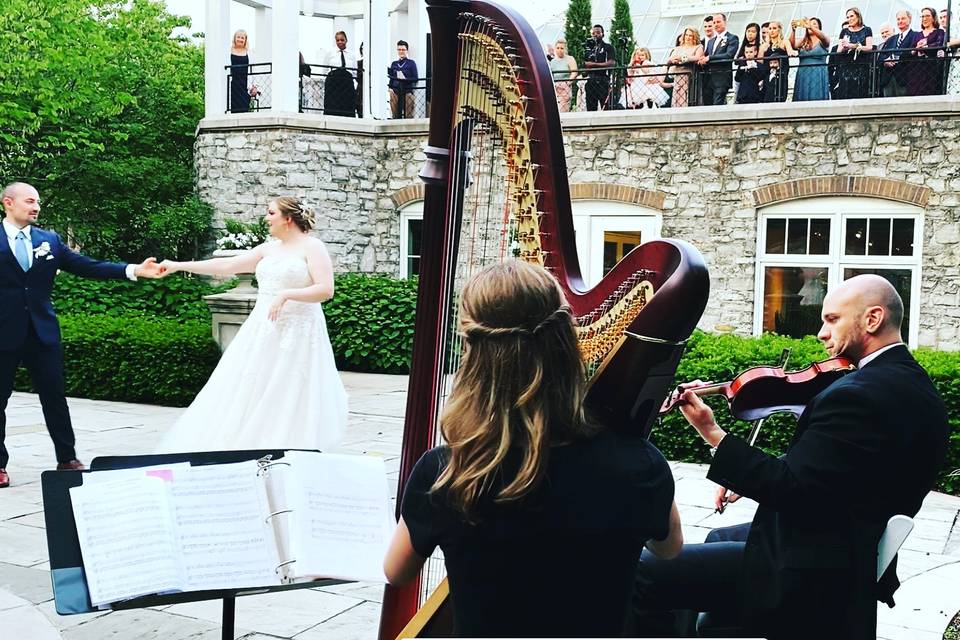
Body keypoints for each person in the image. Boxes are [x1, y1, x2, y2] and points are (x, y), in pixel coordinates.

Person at [631, 274, 949, 640]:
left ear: (872, 319)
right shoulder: (909, 382)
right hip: (843, 539)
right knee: (718, 535)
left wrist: (712, 433)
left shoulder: (861, 394)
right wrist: (748, 477)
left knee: (641, 569)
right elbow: (837, 466)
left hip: (811, 567)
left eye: (832, 320)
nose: (821, 333)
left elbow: (791, 487)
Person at [384, 260, 682, 638]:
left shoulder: (445, 471)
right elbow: (669, 549)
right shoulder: (638, 465)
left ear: (473, 352)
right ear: (567, 342)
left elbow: (396, 572)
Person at [0, 182, 164, 487]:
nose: (36, 207)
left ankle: (67, 458)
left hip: (42, 332)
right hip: (2, 333)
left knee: (54, 397)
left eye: (37, 202)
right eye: (29, 201)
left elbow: (88, 266)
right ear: (8, 203)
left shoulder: (49, 240)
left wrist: (133, 270)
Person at [155, 196, 347, 454]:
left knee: (289, 389)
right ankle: (247, 444)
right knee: (248, 385)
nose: (266, 218)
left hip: (299, 332)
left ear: (288, 219)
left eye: (271, 213)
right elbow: (227, 265)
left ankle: (290, 447)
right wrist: (178, 265)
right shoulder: (269, 248)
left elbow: (325, 290)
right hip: (263, 328)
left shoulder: (313, 247)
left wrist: (286, 294)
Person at [698, 13, 739, 105]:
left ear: (725, 22)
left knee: (718, 104)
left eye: (718, 22)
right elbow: (707, 56)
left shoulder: (732, 38)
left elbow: (729, 55)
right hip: (708, 78)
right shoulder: (711, 41)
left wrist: (709, 58)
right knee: (707, 105)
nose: (716, 24)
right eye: (714, 22)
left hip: (721, 78)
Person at [835, 7, 874, 99]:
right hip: (846, 68)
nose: (849, 19)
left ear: (858, 16)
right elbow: (838, 50)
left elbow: (869, 47)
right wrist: (845, 47)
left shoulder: (867, 30)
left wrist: (853, 46)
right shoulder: (844, 31)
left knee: (860, 92)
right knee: (845, 93)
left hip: (861, 67)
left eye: (851, 16)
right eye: (847, 17)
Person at [907, 7, 946, 95]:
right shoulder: (917, 34)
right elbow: (910, 50)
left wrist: (925, 46)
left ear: (933, 18)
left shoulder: (939, 32)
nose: (924, 19)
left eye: (927, 16)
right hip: (916, 71)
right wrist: (917, 48)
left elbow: (939, 44)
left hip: (931, 69)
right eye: (923, 16)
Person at [791, 17, 831, 101]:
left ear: (819, 27)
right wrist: (793, 30)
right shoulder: (803, 41)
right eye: (809, 23)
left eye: (814, 24)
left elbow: (824, 38)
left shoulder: (822, 40)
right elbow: (793, 45)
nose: (810, 25)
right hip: (803, 72)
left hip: (818, 72)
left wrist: (810, 26)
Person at [880, 11, 918, 97]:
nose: (900, 21)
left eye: (903, 18)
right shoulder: (891, 39)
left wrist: (899, 58)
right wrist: (885, 61)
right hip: (888, 79)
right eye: (898, 19)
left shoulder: (915, 36)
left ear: (910, 19)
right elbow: (881, 56)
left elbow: (914, 54)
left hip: (906, 78)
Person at [759, 21, 796, 102]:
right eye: (770, 28)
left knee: (780, 96)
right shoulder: (764, 45)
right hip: (767, 76)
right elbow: (759, 61)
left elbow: (790, 51)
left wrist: (793, 53)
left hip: (781, 75)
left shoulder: (784, 42)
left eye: (774, 28)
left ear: (779, 30)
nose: (772, 31)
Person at [667, 27, 705, 107]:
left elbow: (697, 57)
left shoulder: (698, 47)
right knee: (676, 98)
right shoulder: (677, 48)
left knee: (685, 98)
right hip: (677, 75)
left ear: (694, 37)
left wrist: (682, 58)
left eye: (690, 36)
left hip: (688, 76)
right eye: (686, 35)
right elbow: (669, 59)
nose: (688, 37)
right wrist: (672, 60)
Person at [583, 24, 617, 111]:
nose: (595, 35)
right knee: (591, 109)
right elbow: (585, 67)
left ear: (603, 34)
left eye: (598, 32)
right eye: (593, 33)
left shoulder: (608, 47)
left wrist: (593, 64)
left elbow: (611, 63)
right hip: (591, 81)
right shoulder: (588, 50)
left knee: (606, 108)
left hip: (604, 81)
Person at [323, 31, 357, 117]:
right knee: (332, 104)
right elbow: (325, 69)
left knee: (347, 104)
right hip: (333, 83)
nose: (340, 42)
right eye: (337, 40)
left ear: (346, 40)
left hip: (346, 83)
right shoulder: (330, 53)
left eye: (342, 40)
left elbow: (354, 71)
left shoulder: (352, 55)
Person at [388, 40, 419, 119]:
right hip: (395, 91)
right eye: (399, 50)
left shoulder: (411, 63)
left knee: (408, 115)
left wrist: (405, 79)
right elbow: (391, 78)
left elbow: (415, 78)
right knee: (395, 114)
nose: (401, 51)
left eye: (403, 50)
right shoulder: (394, 64)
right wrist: (390, 88)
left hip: (407, 91)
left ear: (406, 50)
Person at [229, 29, 255, 113]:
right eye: (238, 37)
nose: (240, 39)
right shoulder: (228, 51)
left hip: (244, 86)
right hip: (232, 85)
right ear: (235, 38)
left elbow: (253, 70)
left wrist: (254, 86)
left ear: (245, 40)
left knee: (244, 110)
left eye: (242, 38)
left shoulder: (250, 53)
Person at [549, 38, 579, 112]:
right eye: (558, 48)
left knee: (562, 110)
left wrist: (568, 82)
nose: (559, 50)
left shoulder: (570, 59)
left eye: (562, 48)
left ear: (565, 49)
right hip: (554, 87)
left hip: (565, 87)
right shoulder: (552, 61)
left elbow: (574, 72)